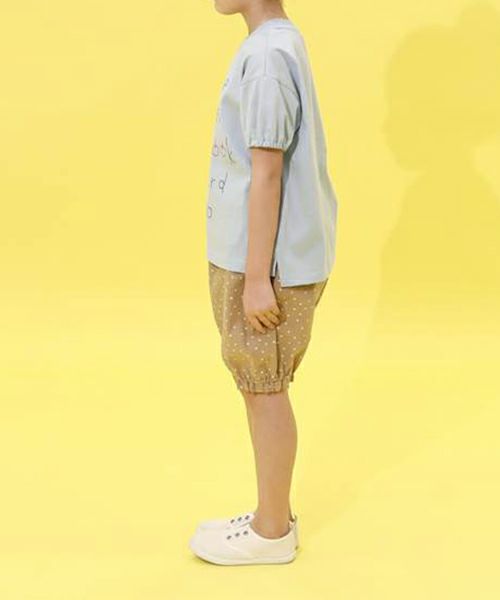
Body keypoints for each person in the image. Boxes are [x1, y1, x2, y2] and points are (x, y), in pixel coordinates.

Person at [189, 0, 338, 565]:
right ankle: (268, 514)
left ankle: (272, 531)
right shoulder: (276, 44)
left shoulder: (270, 57)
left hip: (266, 267)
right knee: (259, 384)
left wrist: (256, 279)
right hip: (266, 261)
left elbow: (267, 171)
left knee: (264, 386)